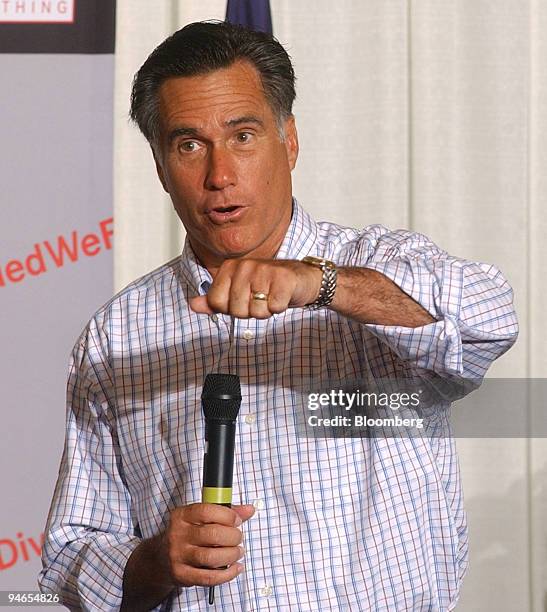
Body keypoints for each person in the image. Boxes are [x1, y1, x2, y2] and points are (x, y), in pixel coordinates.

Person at [38, 20, 518, 612]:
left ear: (289, 141)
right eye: (189, 145)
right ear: (161, 169)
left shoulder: (373, 267)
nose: (219, 175)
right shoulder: (116, 337)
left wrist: (321, 283)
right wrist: (154, 561)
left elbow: (488, 320)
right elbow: (69, 558)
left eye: (243, 136)